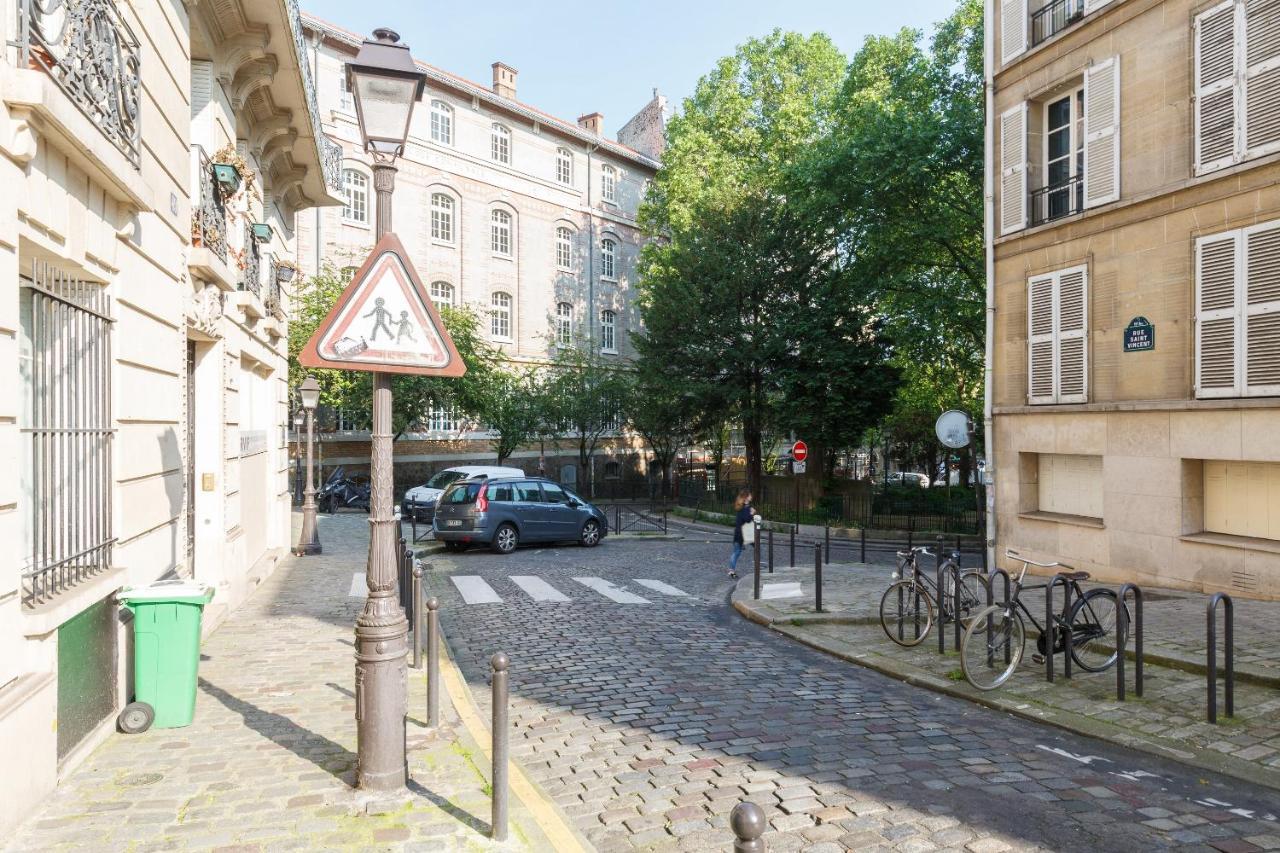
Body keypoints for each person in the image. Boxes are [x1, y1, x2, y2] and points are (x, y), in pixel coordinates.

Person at [729, 488, 754, 579]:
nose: (751, 496)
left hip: (740, 533)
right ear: (746, 497)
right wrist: (752, 513)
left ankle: (731, 570)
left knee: (737, 552)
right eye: (750, 495)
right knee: (737, 552)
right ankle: (731, 570)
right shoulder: (745, 507)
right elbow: (747, 519)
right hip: (743, 534)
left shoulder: (742, 506)